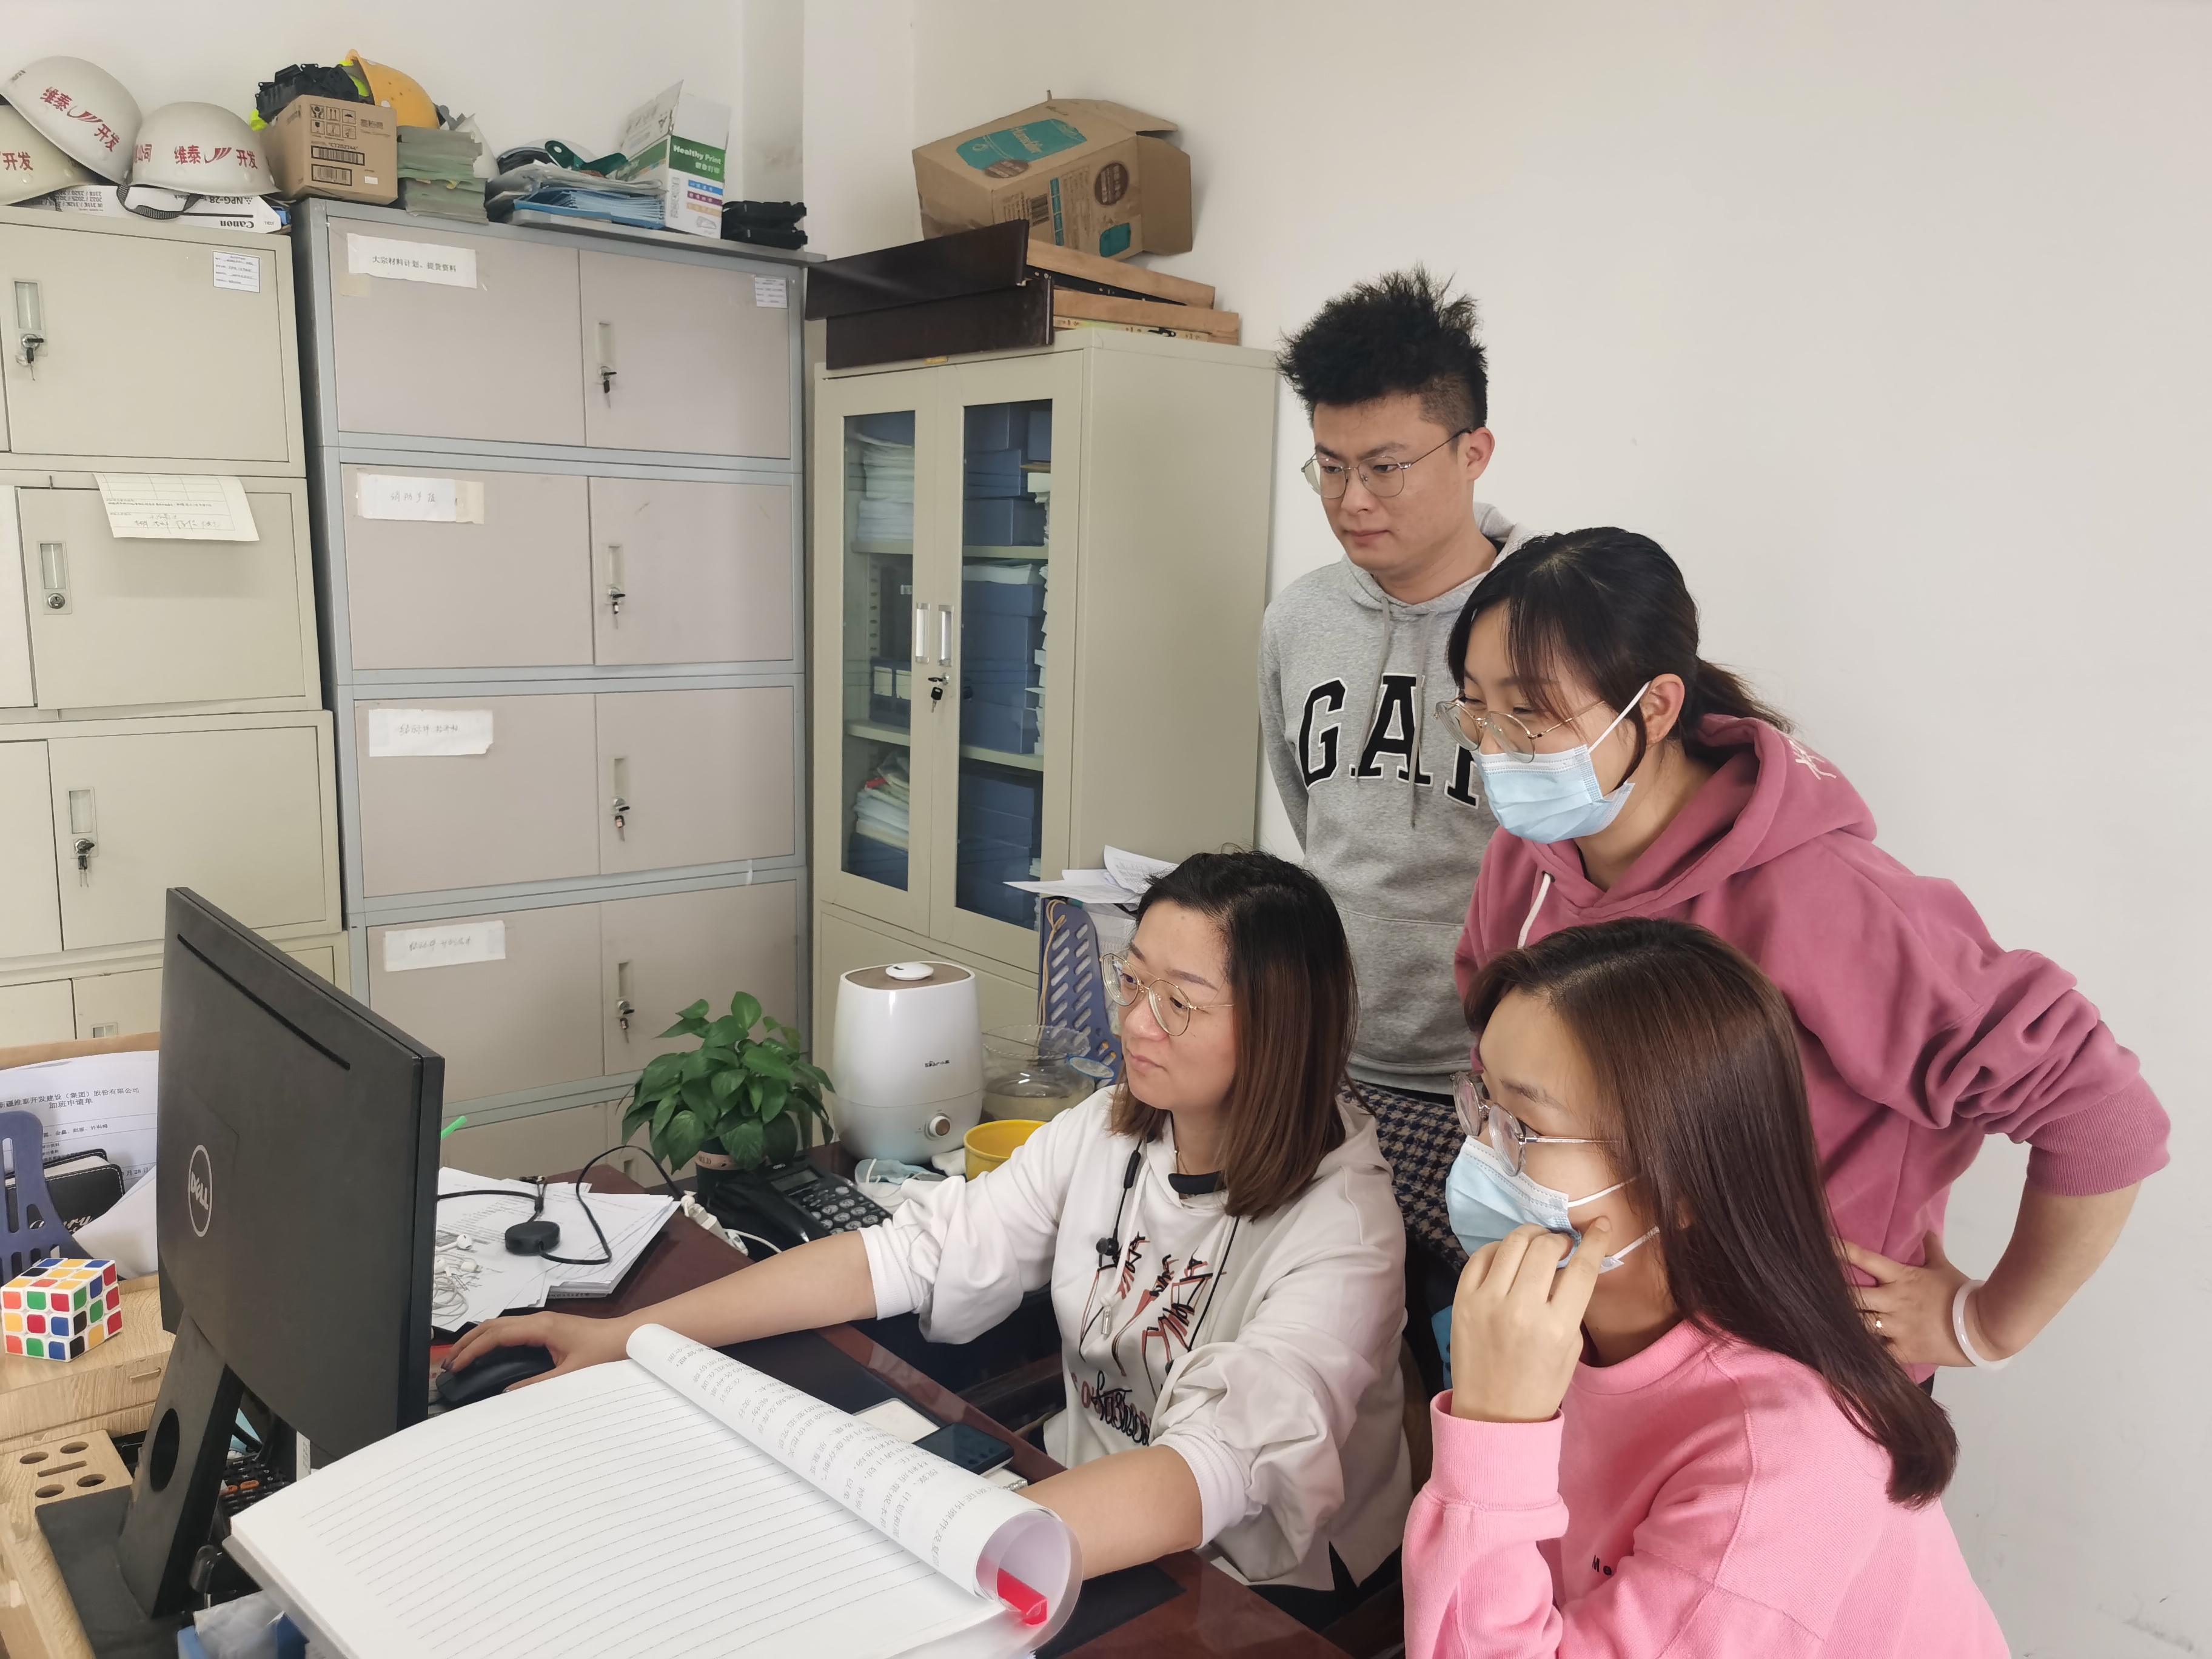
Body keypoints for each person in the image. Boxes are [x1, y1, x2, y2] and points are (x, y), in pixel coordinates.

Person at [447, 851, 1410, 1622]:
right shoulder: (1112, 1127)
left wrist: (942, 1545)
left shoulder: (1345, 1232)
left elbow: (1208, 1473)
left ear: (1281, 1027)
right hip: (1067, 1503)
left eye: (1179, 1003)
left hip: (1244, 1580)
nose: (1135, 1024)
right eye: (1132, 982)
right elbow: (910, 1251)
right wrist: (634, 1335)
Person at [1444, 529, 2168, 1380]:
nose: (1494, 747)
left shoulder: (1825, 896)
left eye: (1529, 713)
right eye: (1474, 709)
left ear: (1657, 707)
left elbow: (2102, 1113)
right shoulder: (1524, 863)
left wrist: (1985, 1325)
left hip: (1794, 1373)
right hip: (1602, 1352)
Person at [1408, 917, 2008, 1657]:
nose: (1477, 1151)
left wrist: (1494, 1436)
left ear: (1685, 1179)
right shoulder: (1556, 1335)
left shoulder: (1781, 1465)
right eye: (1482, 1102)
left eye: (1523, 1128)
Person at [1263, 267, 1535, 1298]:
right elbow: (1314, 817)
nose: (1352, 500)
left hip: (1495, 1092)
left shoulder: (1553, 623)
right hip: (1328, 1061)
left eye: (1385, 467)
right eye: (1329, 468)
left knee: (1465, 1352)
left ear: (1473, 452)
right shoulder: (1298, 621)